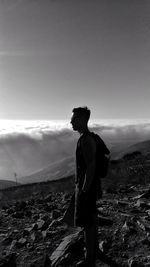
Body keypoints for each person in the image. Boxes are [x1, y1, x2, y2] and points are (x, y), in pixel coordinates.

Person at [70, 106, 101, 267]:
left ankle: (90, 258)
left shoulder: (86, 140)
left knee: (87, 221)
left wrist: (84, 189)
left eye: (74, 118)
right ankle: (94, 249)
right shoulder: (86, 137)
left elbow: (91, 165)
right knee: (92, 216)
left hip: (86, 186)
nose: (71, 121)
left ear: (82, 120)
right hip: (88, 185)